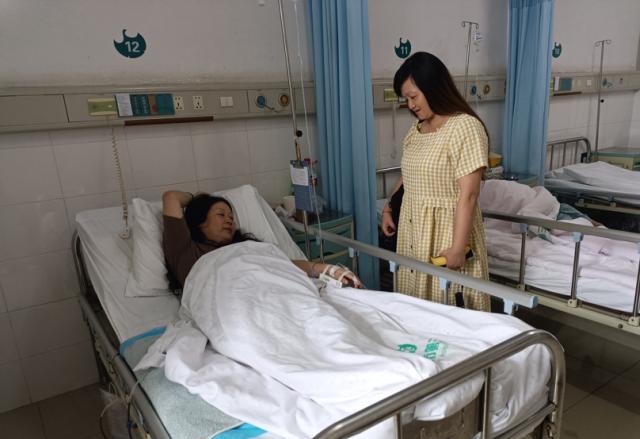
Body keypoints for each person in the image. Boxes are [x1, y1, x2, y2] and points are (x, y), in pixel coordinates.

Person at [381, 51, 490, 311]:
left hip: (446, 233)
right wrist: (388, 208)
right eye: (406, 99)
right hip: (413, 233)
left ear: (433, 87)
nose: (410, 105)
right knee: (415, 308)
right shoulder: (417, 129)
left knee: (450, 310)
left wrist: (458, 248)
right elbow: (408, 174)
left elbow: (469, 195)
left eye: (413, 96)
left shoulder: (464, 127)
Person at [161, 190, 362, 290]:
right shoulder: (187, 253)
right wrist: (197, 200)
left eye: (231, 217)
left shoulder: (246, 248)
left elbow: (280, 265)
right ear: (199, 221)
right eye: (221, 215)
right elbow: (170, 197)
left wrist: (326, 269)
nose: (229, 220)